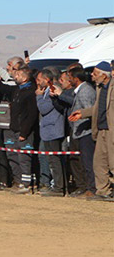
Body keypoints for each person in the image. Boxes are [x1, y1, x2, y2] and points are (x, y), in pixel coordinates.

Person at [0, 56, 38, 192]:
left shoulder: (30, 92)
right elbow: (1, 87)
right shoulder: (16, 90)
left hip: (24, 131)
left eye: (18, 74)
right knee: (14, 156)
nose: (15, 76)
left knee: (24, 157)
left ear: (25, 77)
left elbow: (31, 115)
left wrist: (24, 132)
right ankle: (18, 181)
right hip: (14, 128)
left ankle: (27, 184)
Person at [69, 61, 113, 198]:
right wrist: (83, 113)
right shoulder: (100, 88)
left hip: (111, 130)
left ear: (104, 76)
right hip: (100, 130)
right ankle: (103, 191)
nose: (92, 75)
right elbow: (97, 108)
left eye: (95, 73)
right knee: (99, 163)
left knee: (113, 163)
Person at [55, 67, 96, 197]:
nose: (68, 80)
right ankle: (85, 187)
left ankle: (92, 188)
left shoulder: (85, 91)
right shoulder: (79, 91)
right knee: (80, 160)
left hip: (86, 131)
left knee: (88, 162)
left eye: (70, 77)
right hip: (79, 130)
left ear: (76, 79)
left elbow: (90, 111)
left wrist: (81, 117)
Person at [36, 68, 69, 195]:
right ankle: (59, 186)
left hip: (53, 129)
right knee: (52, 159)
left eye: (39, 80)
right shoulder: (46, 90)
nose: (38, 83)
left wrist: (38, 97)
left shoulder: (52, 90)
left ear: (46, 79)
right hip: (48, 130)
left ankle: (59, 188)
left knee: (54, 160)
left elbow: (44, 109)